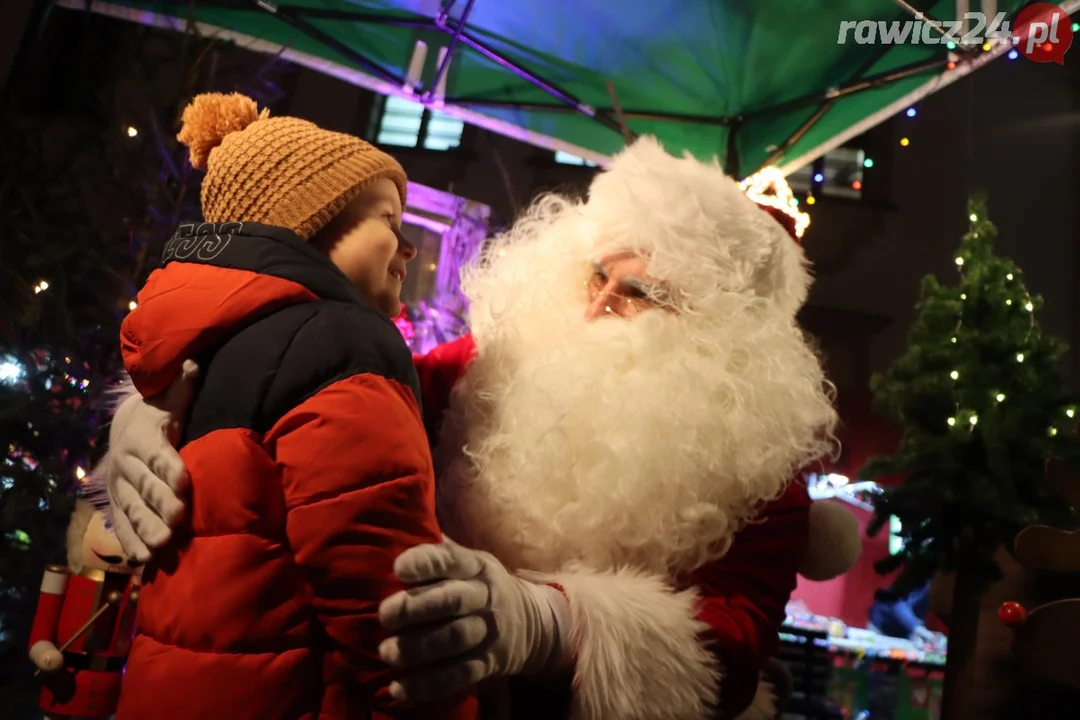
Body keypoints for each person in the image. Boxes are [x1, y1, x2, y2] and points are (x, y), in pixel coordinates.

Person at [102, 136, 861, 719]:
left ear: (714, 334)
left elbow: (726, 650)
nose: (596, 306)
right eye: (596, 274)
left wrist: (547, 624)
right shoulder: (485, 365)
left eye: (640, 294)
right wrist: (165, 411)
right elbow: (324, 397)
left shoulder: (759, 466)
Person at [108, 93, 476, 720]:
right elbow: (389, 611)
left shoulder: (210, 355)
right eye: (389, 219)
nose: (409, 247)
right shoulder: (343, 345)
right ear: (307, 223)